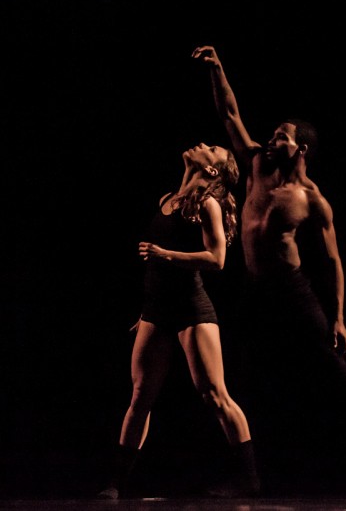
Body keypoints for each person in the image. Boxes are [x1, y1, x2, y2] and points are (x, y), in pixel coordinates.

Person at [191, 45, 346, 499]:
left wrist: (338, 317)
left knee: (339, 380)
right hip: (255, 291)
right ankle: (249, 479)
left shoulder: (312, 199)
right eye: (273, 135)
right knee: (244, 379)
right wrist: (217, 69)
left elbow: (333, 261)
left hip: (294, 294)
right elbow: (230, 113)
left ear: (301, 148)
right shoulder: (256, 164)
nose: (271, 140)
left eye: (280, 136)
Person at [97, 142, 260, 499]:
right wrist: (145, 315)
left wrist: (164, 254)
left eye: (212, 148)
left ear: (213, 170)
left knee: (215, 395)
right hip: (156, 310)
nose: (202, 145)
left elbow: (217, 259)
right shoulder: (168, 199)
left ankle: (250, 481)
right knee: (141, 396)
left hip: (192, 309)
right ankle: (115, 484)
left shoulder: (208, 204)